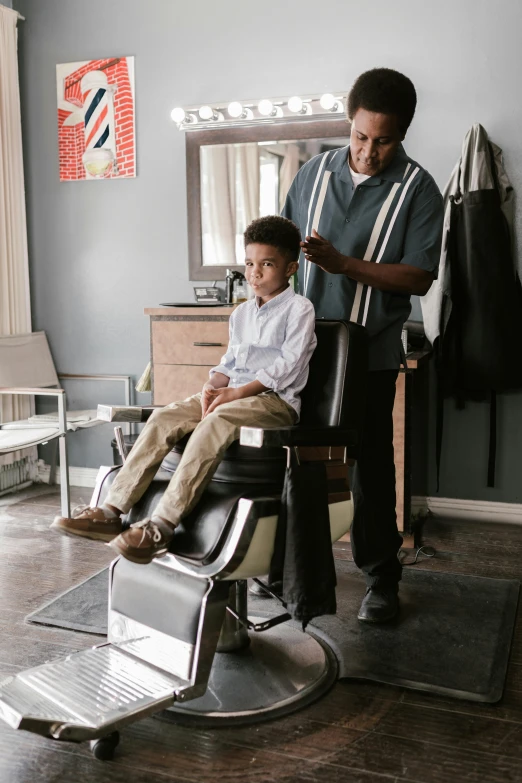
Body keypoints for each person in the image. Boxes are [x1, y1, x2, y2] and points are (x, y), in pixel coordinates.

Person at [51, 215, 317, 565]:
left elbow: (289, 365)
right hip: (231, 394)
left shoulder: (300, 309)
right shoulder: (241, 314)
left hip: (274, 401)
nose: (255, 273)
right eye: (250, 264)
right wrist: (214, 383)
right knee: (166, 416)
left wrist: (236, 394)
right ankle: (111, 511)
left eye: (266, 265)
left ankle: (161, 526)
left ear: (290, 268)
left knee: (216, 421)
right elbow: (230, 361)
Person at [282, 68, 443, 623]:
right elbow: (281, 251)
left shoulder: (419, 190)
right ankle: (285, 570)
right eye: (360, 136)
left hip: (369, 354)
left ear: (402, 135)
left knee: (369, 467)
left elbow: (420, 277)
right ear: (347, 123)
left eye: (384, 141)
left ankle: (381, 580)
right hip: (303, 350)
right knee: (292, 459)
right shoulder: (311, 175)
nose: (369, 152)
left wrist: (345, 266)